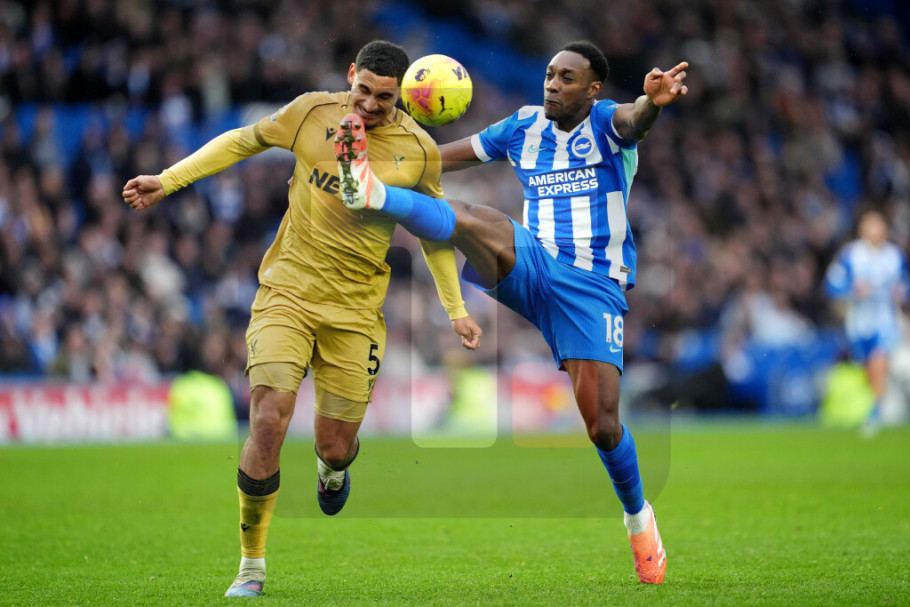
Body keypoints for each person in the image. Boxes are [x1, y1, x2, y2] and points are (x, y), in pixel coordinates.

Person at [122, 40, 483, 598]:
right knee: (269, 416)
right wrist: (169, 180)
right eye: (362, 90)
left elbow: (434, 230)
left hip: (355, 311)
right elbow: (243, 140)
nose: (369, 105)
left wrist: (455, 308)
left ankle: (332, 471)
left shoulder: (420, 150)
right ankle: (251, 565)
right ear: (350, 75)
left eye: (384, 98)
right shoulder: (311, 111)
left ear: (402, 98)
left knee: (335, 445)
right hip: (286, 293)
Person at [334, 40, 687, 584]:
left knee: (602, 427)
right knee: (467, 216)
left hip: (592, 288)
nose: (552, 84)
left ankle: (638, 517)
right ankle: (370, 193)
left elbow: (634, 120)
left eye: (567, 78)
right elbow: (437, 159)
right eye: (549, 74)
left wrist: (653, 104)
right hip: (532, 264)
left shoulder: (606, 123)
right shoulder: (522, 126)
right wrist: (383, 148)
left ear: (592, 89)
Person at [824, 208, 909, 432]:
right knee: (867, 368)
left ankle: (875, 413)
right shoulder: (850, 255)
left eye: (878, 224)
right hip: (859, 323)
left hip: (885, 320)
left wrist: (901, 291)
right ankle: (874, 404)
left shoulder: (895, 256)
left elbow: (905, 284)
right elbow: (832, 284)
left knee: (879, 359)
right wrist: (852, 290)